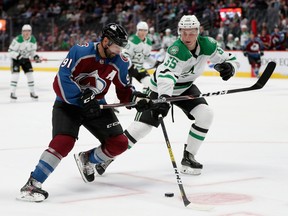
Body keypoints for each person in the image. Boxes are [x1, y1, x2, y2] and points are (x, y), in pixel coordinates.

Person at [17, 23, 151, 202]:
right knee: (64, 142)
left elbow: (124, 89)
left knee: (119, 144)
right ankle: (33, 183)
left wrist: (136, 99)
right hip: (68, 104)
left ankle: (88, 159)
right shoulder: (80, 52)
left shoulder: (121, 62)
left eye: (121, 47)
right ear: (105, 41)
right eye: (116, 46)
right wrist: (81, 97)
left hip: (96, 105)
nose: (119, 51)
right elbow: (61, 80)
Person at [96, 15, 240, 176]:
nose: (187, 37)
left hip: (186, 87)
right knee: (141, 128)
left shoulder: (209, 44)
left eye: (192, 32)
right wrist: (164, 99)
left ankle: (189, 156)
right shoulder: (176, 50)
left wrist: (231, 67)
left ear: (198, 32)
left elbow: (230, 58)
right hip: (159, 89)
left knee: (206, 115)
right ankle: (107, 157)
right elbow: (167, 77)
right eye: (184, 33)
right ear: (179, 32)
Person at [8, 24, 41, 100]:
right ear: (22, 32)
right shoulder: (17, 39)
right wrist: (18, 56)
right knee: (15, 75)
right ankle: (12, 92)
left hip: (25, 59)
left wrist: (35, 57)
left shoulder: (33, 40)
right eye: (25, 31)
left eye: (28, 31)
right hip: (16, 59)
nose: (26, 33)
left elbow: (32, 52)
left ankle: (32, 92)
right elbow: (10, 51)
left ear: (31, 32)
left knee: (30, 75)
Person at [123, 21, 154, 88]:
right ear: (137, 30)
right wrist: (129, 66)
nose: (143, 32)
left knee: (149, 83)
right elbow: (125, 55)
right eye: (141, 30)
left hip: (139, 67)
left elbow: (147, 56)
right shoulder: (132, 40)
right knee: (127, 88)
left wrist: (155, 62)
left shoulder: (148, 42)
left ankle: (146, 97)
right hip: (128, 67)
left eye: (145, 30)